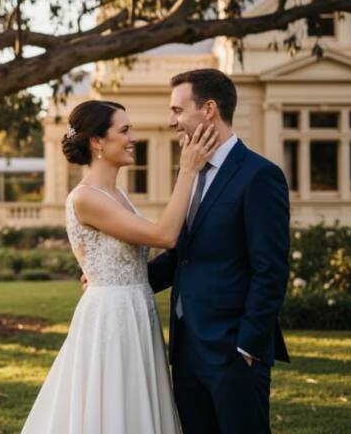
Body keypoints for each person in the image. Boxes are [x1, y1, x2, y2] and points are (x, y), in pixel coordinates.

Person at [82, 68, 292, 434]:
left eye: (178, 111)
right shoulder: (192, 173)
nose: (171, 121)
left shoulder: (259, 176)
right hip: (187, 350)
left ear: (208, 109)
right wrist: (118, 278)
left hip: (234, 351)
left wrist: (248, 348)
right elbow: (184, 255)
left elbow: (270, 269)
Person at [21, 98, 219, 434]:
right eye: (124, 130)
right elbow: (165, 235)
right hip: (112, 316)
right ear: (98, 142)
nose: (134, 138)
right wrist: (187, 170)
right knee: (113, 403)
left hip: (135, 308)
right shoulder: (86, 198)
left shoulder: (117, 194)